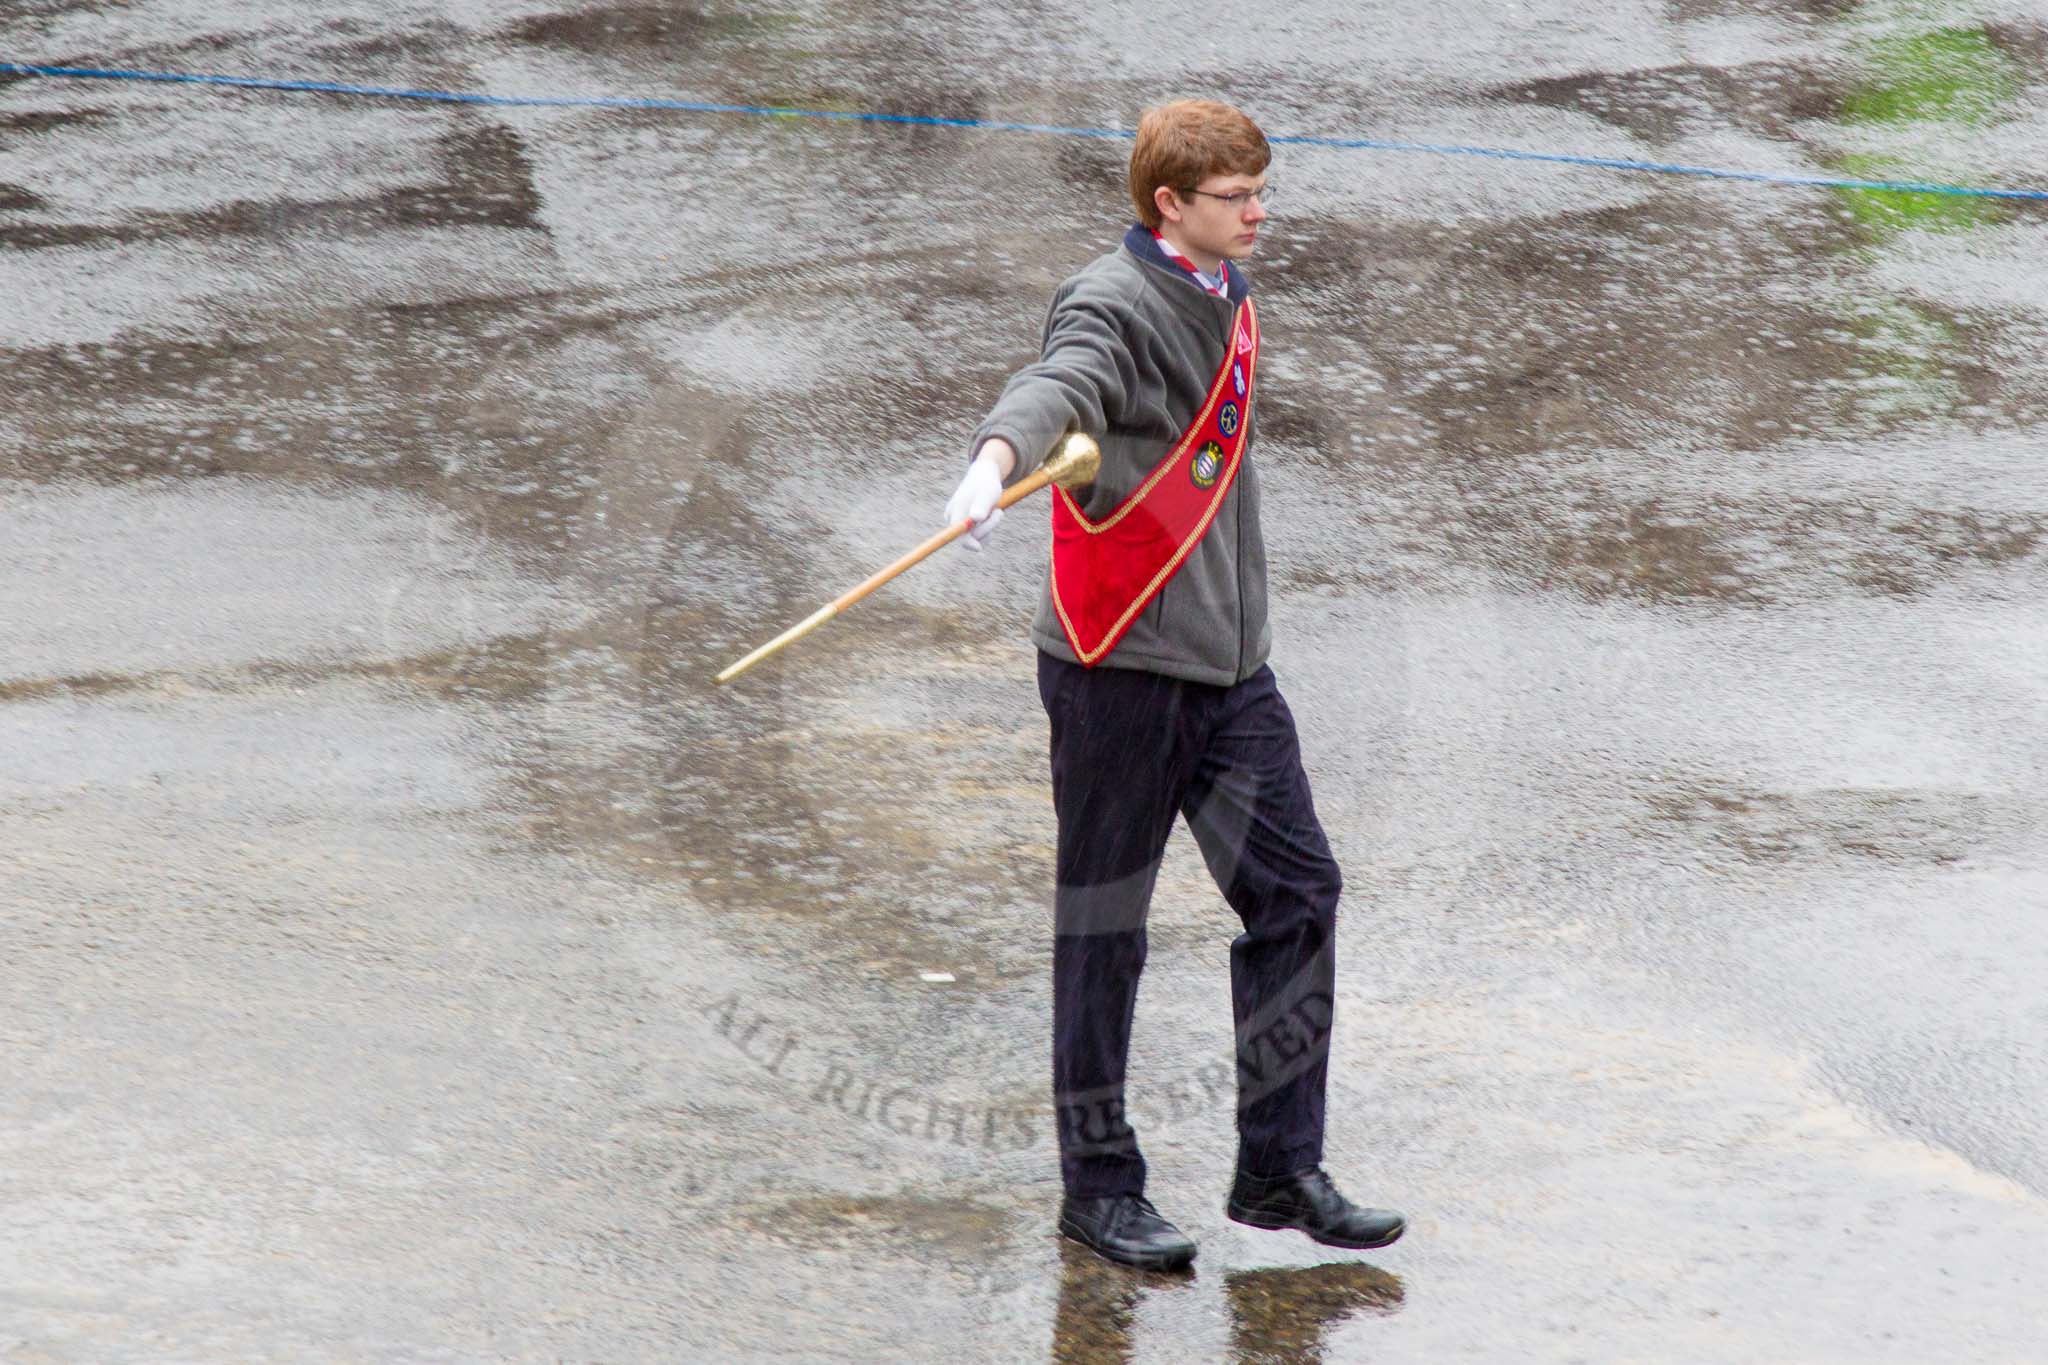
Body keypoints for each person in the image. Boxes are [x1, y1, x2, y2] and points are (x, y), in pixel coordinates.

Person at [944, 99, 1406, 1271]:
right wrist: (994, 461)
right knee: (1104, 930)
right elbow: (1057, 382)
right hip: (1119, 671)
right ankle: (1098, 1191)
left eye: (1259, 191)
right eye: (1234, 197)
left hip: (1230, 675)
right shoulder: (1111, 300)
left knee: (1297, 894)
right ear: (1169, 203)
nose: (1258, 213)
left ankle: (1278, 1168)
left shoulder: (1225, 290)